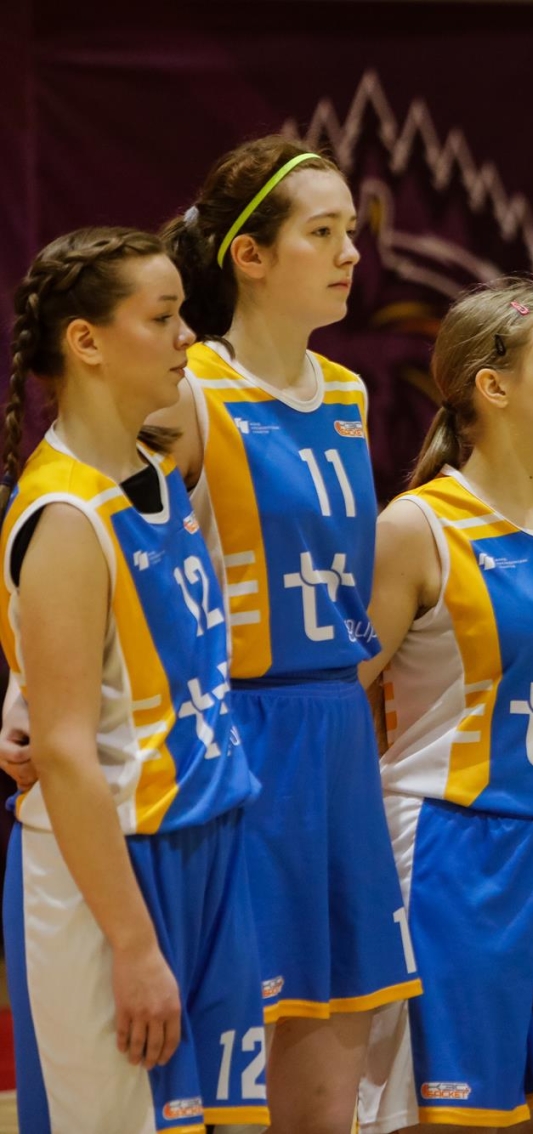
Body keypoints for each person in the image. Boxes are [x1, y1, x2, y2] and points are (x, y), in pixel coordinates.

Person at [156, 136, 421, 1131]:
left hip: (339, 739)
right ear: (250, 255)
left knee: (333, 1060)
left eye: (351, 230)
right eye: (324, 232)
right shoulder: (186, 394)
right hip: (237, 736)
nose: (352, 251)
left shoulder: (348, 394)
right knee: (233, 1071)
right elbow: (101, 562)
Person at [353, 279, 533, 1130]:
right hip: (459, 848)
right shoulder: (416, 528)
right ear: (493, 385)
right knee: (455, 1120)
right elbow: (339, 698)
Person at [1, 227, 268, 1131]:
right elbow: (66, 754)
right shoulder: (66, 516)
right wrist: (131, 943)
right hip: (115, 863)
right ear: (86, 341)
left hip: (207, 839)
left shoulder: (154, 468)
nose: (187, 335)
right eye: (161, 318)